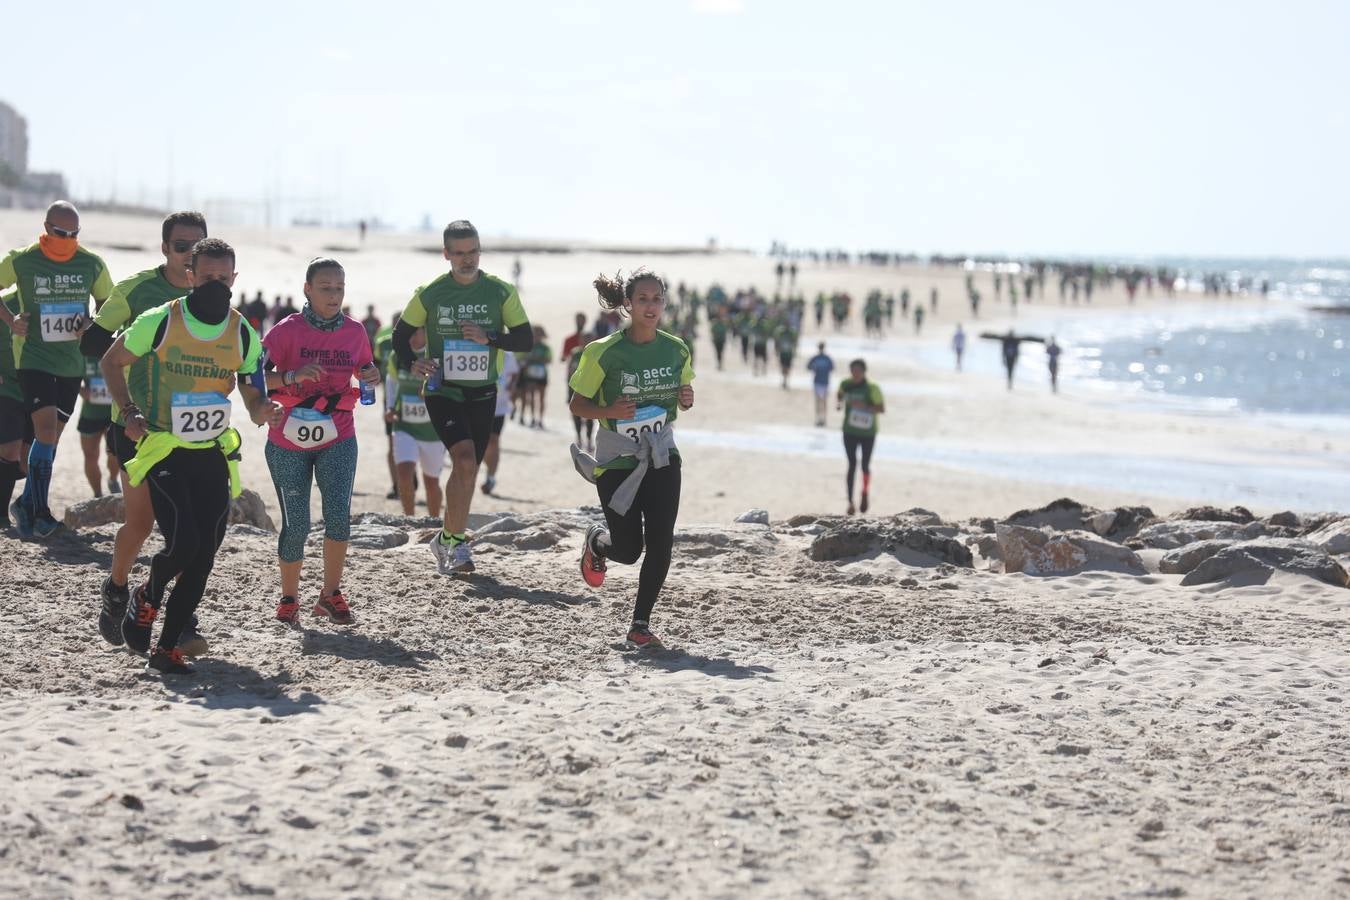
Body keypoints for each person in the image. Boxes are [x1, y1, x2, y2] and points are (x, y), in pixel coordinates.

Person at [100, 238, 282, 675]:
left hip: (211, 451)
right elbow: (111, 361)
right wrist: (128, 412)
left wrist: (265, 411)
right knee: (184, 543)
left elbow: (252, 391)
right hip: (163, 446)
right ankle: (146, 596)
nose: (215, 285)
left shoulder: (242, 332)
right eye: (206, 278)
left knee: (204, 555)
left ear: (234, 279)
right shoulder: (161, 321)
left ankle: (165, 648)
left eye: (223, 278)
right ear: (190, 277)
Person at [83, 211, 209, 650]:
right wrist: (139, 346)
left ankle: (181, 618)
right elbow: (93, 343)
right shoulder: (138, 290)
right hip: (136, 424)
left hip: (192, 428)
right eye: (181, 247)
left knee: (187, 530)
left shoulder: (213, 293)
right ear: (164, 249)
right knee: (140, 523)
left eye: (197, 247)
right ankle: (117, 589)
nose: (189, 256)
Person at [392, 220, 533, 576]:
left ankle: (448, 538)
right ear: (446, 254)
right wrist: (413, 362)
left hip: (483, 391)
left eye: (472, 251)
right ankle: (456, 544)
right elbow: (400, 336)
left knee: (468, 468)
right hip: (443, 389)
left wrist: (490, 338)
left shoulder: (501, 292)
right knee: (466, 459)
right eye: (459, 253)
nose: (467, 259)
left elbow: (524, 339)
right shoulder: (431, 293)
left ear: (479, 251)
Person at [569, 270, 694, 650]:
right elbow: (577, 404)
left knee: (661, 544)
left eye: (657, 298)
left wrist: (686, 399)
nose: (651, 305)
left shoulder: (676, 349)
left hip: (661, 455)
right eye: (643, 299)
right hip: (618, 458)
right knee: (628, 550)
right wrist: (610, 409)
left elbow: (682, 393)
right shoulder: (603, 351)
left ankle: (640, 624)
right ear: (628, 304)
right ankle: (597, 542)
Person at [261, 257, 378, 625]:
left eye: (339, 288)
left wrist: (371, 376)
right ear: (307, 290)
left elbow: (366, 373)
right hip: (288, 437)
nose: (334, 295)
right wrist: (293, 375)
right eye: (325, 288)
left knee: (338, 517)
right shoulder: (285, 331)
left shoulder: (356, 332)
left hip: (339, 434)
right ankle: (289, 598)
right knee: (297, 524)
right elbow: (253, 380)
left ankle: (330, 595)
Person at [0, 201, 114, 538]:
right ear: (46, 227)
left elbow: (108, 304)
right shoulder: (22, 259)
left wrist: (93, 323)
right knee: (46, 431)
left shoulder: (91, 264)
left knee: (51, 438)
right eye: (59, 232)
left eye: (73, 234)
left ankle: (26, 502)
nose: (66, 238)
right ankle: (39, 511)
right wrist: (11, 321)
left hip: (71, 362)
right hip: (33, 358)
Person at [0, 289, 31, 528]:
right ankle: (1, 515)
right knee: (9, 450)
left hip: (36, 386)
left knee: (23, 463)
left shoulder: (50, 303)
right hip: (6, 386)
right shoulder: (6, 303)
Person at [838, 359, 884, 515]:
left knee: (865, 465)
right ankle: (850, 502)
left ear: (864, 371)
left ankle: (864, 493)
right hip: (849, 431)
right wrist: (839, 402)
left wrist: (864, 407)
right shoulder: (845, 384)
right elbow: (840, 395)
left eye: (858, 371)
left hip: (868, 433)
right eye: (853, 371)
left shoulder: (872, 388)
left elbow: (881, 408)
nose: (855, 374)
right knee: (851, 464)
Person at [75, 352, 119, 496]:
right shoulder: (85, 351)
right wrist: (81, 390)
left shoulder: (119, 347)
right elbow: (70, 377)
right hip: (90, 413)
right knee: (90, 455)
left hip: (115, 413)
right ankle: (97, 494)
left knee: (115, 453)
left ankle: (113, 479)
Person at [481, 344, 520, 496]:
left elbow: (515, 373)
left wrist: (512, 385)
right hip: (479, 405)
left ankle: (490, 477)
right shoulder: (480, 350)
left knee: (493, 441)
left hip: (499, 407)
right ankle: (486, 466)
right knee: (481, 444)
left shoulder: (508, 356)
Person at [564, 333, 594, 455]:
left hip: (591, 388)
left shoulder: (594, 352)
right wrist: (568, 390)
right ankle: (578, 437)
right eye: (584, 339)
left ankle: (589, 439)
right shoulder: (575, 352)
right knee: (576, 414)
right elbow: (569, 371)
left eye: (588, 339)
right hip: (576, 387)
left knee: (590, 415)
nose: (585, 342)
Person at [519, 325, 552, 428]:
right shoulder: (528, 345)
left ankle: (540, 419)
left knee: (541, 398)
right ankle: (532, 418)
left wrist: (535, 359)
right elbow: (522, 358)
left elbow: (549, 360)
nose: (537, 336)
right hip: (530, 374)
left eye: (539, 334)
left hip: (541, 374)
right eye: (535, 334)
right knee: (531, 396)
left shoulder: (545, 347)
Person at [805, 342, 835, 427]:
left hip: (824, 382)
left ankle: (824, 419)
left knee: (824, 401)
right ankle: (818, 418)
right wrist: (814, 368)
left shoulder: (827, 358)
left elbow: (832, 368)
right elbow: (808, 367)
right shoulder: (815, 358)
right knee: (818, 401)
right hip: (817, 381)